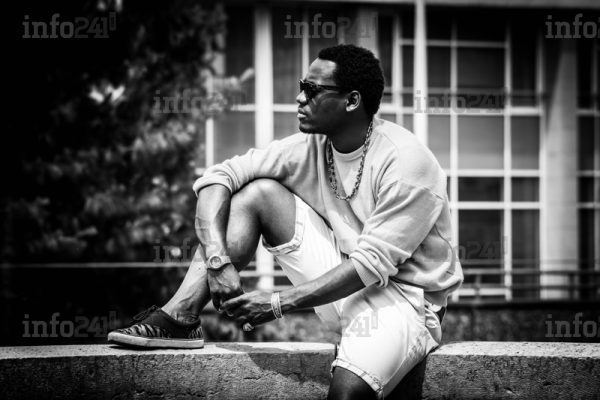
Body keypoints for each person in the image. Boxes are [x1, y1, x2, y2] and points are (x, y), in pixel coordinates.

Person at [109, 44, 463, 399]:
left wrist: (277, 302)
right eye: (301, 86)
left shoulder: (406, 161)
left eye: (312, 90)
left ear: (352, 101)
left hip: (405, 298)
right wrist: (217, 260)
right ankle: (180, 317)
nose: (299, 97)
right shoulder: (309, 148)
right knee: (257, 193)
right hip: (342, 279)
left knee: (346, 395)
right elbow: (217, 179)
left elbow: (372, 264)